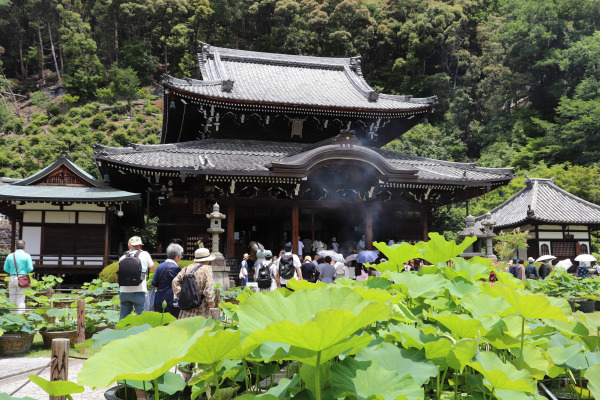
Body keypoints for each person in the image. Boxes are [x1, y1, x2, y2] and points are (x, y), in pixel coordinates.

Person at [172, 248, 215, 318]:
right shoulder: (207, 268)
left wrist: (182, 295)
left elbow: (175, 282)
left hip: (187, 306)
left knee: (185, 327)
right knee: (199, 327)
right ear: (207, 260)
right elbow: (208, 288)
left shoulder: (187, 268)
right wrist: (211, 302)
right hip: (201, 306)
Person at [119, 236, 154, 320]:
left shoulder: (122, 257)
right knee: (143, 319)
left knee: (123, 319)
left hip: (124, 292)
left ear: (129, 245)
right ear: (140, 246)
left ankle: (121, 332)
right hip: (139, 291)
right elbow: (153, 269)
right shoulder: (144, 254)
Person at [152, 243, 183, 318]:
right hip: (171, 301)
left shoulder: (160, 266)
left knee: (160, 324)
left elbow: (154, 282)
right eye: (181, 255)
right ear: (176, 256)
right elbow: (179, 284)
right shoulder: (176, 268)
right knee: (171, 324)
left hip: (159, 299)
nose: (181, 257)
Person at [3, 240, 34, 312]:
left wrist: (12, 272)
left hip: (12, 277)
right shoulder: (27, 256)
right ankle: (20, 317)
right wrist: (24, 272)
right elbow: (30, 268)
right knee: (20, 299)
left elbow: (5, 268)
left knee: (12, 298)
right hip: (23, 278)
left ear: (15, 247)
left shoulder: (10, 256)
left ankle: (12, 316)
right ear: (25, 247)